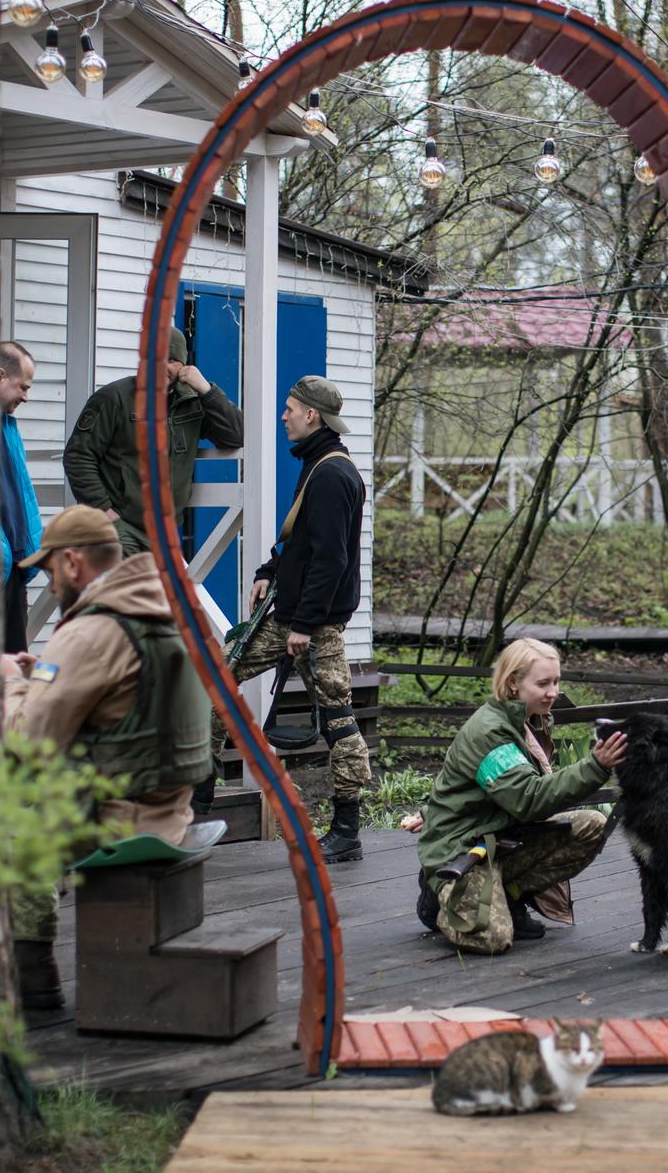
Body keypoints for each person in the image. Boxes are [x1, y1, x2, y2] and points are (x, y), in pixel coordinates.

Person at [0, 504, 216, 1009]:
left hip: (119, 822)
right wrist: (43, 679)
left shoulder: (90, 632)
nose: (50, 587)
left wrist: (10, 685)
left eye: (50, 572)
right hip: (172, 807)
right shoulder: (168, 609)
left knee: (6, 828)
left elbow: (29, 743)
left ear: (73, 563)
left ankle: (33, 981)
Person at [206, 375, 371, 863]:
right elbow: (302, 544)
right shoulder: (318, 465)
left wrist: (303, 624)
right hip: (296, 616)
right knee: (211, 678)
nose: (283, 416)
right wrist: (268, 570)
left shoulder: (332, 476)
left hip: (310, 626)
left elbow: (330, 560)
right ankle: (195, 797)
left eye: (289, 408)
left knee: (340, 721)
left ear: (311, 416)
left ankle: (346, 832)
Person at [414, 639, 626, 955]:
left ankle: (508, 895)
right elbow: (528, 799)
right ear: (513, 682)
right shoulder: (491, 731)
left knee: (590, 826)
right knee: (493, 938)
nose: (552, 692)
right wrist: (596, 766)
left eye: (555, 681)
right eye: (542, 683)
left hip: (500, 838)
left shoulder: (525, 720)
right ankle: (438, 896)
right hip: (461, 849)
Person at [63, 327, 242, 555]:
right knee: (131, 583)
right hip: (118, 524)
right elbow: (78, 456)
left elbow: (237, 435)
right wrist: (103, 509)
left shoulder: (193, 402)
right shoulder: (113, 398)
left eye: (172, 360)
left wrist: (207, 391)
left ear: (184, 365)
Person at [0, 340, 44, 651]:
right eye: (22, 387)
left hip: (13, 567)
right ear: (0, 376)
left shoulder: (8, 428)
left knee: (13, 670)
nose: (26, 397)